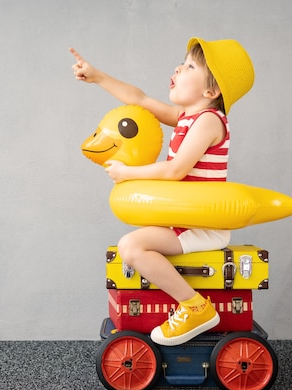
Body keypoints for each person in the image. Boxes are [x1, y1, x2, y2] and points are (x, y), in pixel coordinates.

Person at [70, 38, 254, 346]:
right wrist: (97, 76)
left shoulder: (209, 121)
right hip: (185, 221)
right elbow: (139, 99)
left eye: (190, 66)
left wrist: (127, 174)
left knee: (132, 247)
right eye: (183, 63)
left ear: (211, 91)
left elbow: (175, 170)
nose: (178, 68)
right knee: (137, 243)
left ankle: (196, 308)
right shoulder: (187, 117)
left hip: (202, 226)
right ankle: (188, 305)